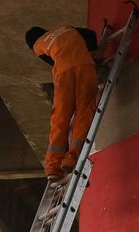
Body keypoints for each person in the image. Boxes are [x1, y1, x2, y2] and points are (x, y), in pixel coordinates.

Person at [25, 25, 112, 182]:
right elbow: (91, 33)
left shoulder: (38, 45)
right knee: (84, 113)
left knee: (61, 116)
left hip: (64, 73)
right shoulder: (65, 28)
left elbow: (54, 61)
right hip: (86, 68)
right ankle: (71, 158)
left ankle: (53, 167)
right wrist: (90, 56)